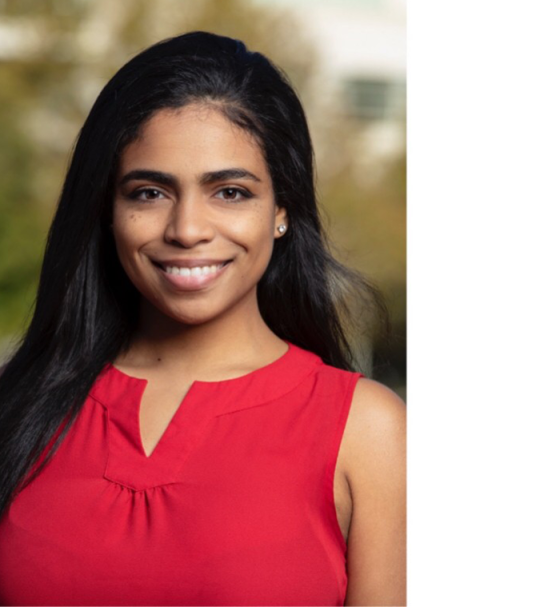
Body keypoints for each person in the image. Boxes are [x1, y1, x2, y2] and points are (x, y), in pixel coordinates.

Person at [0, 32, 406, 605]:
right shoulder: (17, 409)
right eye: (148, 193)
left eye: (231, 193)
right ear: (107, 211)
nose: (187, 229)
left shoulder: (366, 431)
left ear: (282, 210)